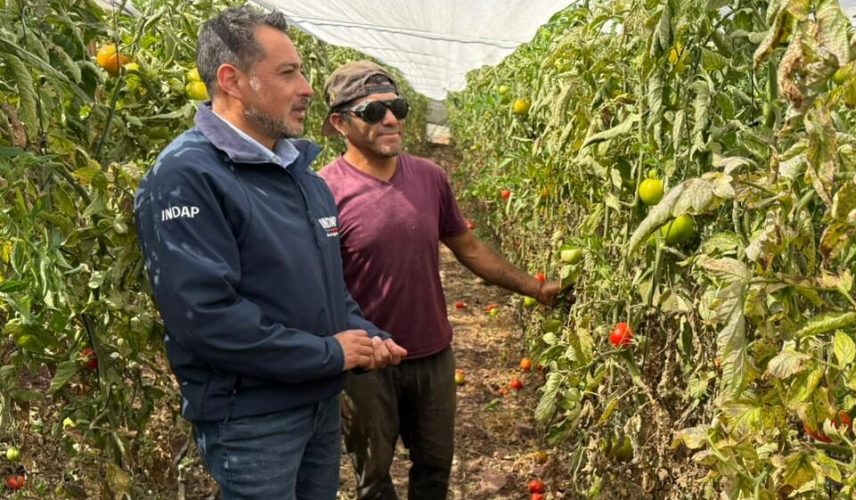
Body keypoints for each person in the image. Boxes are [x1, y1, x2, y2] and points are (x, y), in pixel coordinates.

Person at [133, 8, 407, 499]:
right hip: (253, 420)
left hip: (318, 400)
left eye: (301, 70)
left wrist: (363, 336)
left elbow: (325, 290)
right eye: (288, 72)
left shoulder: (301, 175)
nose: (306, 87)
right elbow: (207, 319)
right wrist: (328, 352)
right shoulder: (187, 176)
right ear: (232, 81)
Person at [317, 61, 562, 499]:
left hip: (432, 353)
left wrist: (535, 288)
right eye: (373, 112)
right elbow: (314, 283)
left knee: (434, 468)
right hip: (365, 363)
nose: (391, 119)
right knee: (374, 477)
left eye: (397, 107)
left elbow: (467, 247)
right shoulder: (322, 192)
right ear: (340, 123)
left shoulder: (430, 177)